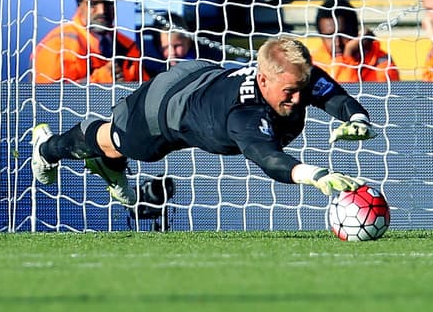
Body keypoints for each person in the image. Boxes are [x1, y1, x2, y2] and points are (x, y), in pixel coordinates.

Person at [29, 36, 377, 205]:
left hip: (203, 78)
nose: (299, 99)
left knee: (116, 149)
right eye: (289, 92)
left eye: (301, 89)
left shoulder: (293, 76)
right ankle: (48, 148)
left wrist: (358, 118)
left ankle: (110, 165)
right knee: (122, 142)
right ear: (262, 80)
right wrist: (316, 176)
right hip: (166, 108)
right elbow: (269, 159)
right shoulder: (245, 114)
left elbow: (331, 94)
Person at [33, 0, 147, 84]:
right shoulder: (58, 45)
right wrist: (102, 80)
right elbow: (48, 96)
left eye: (108, 3)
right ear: (79, 6)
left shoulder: (127, 46)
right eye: (93, 3)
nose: (102, 11)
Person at [309, 0, 400, 83]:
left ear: (356, 31)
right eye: (329, 36)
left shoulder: (381, 61)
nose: (337, 43)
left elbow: (347, 95)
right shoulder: (313, 63)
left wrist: (348, 56)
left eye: (342, 35)